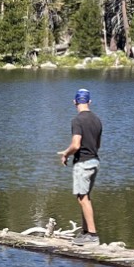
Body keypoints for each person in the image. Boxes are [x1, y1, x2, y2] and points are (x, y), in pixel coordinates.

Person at [58, 87, 102, 243]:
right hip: (94, 161)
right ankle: (85, 232)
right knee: (85, 197)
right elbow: (97, 145)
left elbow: (76, 144)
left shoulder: (77, 120)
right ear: (89, 101)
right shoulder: (97, 120)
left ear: (74, 102)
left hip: (83, 163)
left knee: (83, 198)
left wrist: (66, 154)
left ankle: (92, 235)